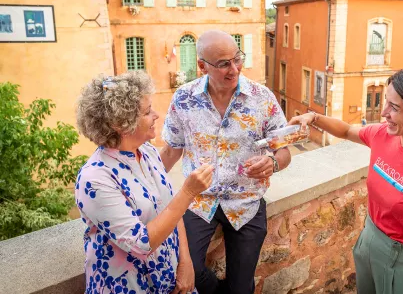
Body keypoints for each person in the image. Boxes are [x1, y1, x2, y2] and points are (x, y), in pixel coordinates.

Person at [289, 68, 403, 294]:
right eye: (386, 102)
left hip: (402, 260)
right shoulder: (382, 135)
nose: (384, 112)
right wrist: (313, 117)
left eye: (394, 107)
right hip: (369, 241)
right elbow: (346, 130)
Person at [160, 30, 291, 294]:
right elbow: (171, 151)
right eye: (223, 64)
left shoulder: (262, 98)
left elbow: (285, 152)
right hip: (199, 200)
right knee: (188, 271)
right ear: (202, 66)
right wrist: (142, 187)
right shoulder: (183, 99)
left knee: (242, 287)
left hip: (247, 201)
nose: (234, 69)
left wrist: (272, 163)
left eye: (237, 59)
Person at [75, 71, 213, 294]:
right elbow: (141, 244)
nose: (156, 115)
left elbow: (170, 209)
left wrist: (186, 262)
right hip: (127, 287)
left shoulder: (147, 152)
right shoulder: (95, 178)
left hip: (169, 277)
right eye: (148, 112)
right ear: (121, 124)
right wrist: (188, 192)